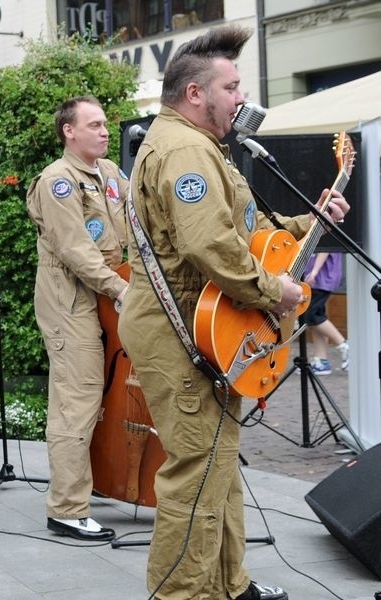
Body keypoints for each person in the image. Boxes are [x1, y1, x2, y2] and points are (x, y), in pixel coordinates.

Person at [118, 25, 349, 600]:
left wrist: (307, 222)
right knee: (195, 475)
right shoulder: (186, 150)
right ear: (196, 94)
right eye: (233, 86)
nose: (242, 98)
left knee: (216, 467)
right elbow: (210, 249)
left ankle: (229, 585)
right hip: (180, 330)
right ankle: (181, 595)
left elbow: (245, 234)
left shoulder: (199, 146)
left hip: (204, 328)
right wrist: (276, 294)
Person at [25, 96, 130, 541]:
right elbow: (75, 251)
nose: (106, 132)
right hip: (72, 299)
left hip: (106, 289)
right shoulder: (58, 181)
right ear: (69, 131)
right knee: (77, 399)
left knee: (104, 397)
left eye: (106, 124)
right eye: (95, 124)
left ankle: (90, 487)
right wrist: (122, 288)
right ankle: (67, 509)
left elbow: (133, 225)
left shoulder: (109, 174)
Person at [302, 252, 349, 374]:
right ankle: (322, 361)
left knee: (312, 315)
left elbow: (325, 248)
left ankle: (345, 346)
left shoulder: (324, 232)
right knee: (315, 319)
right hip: (316, 278)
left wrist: (314, 272)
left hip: (321, 277)